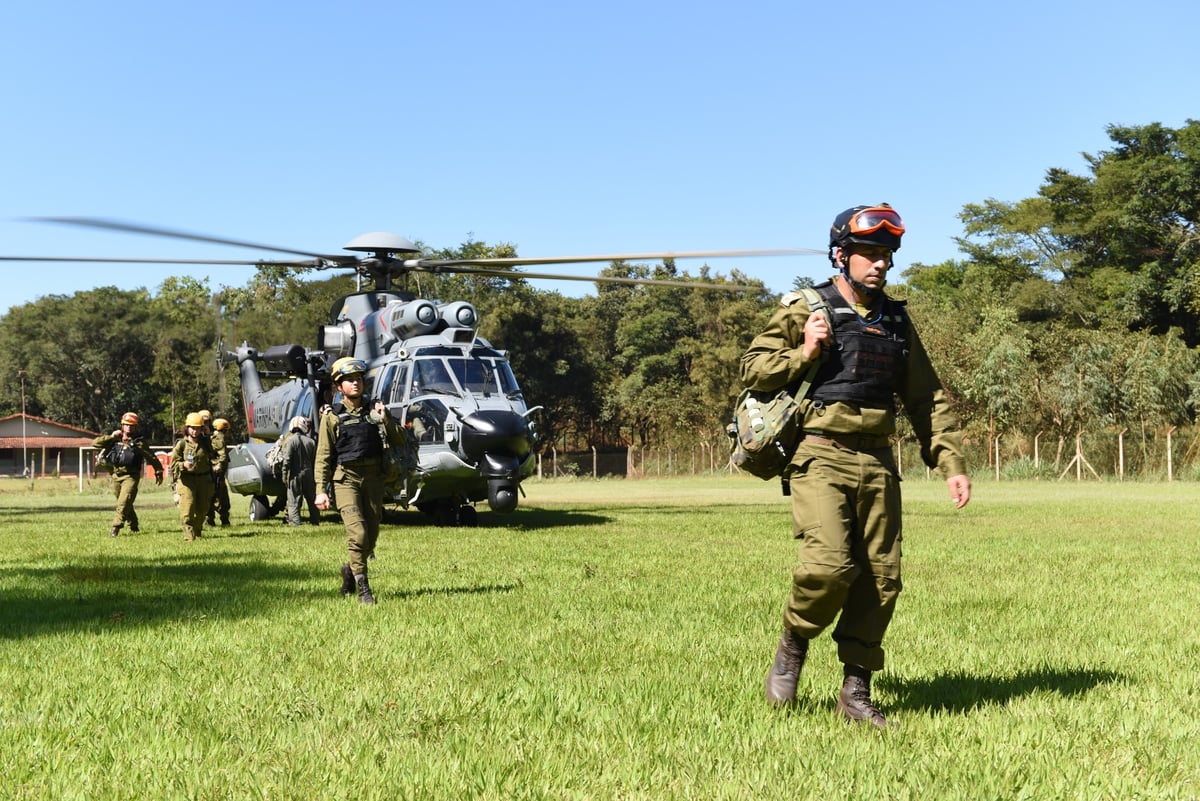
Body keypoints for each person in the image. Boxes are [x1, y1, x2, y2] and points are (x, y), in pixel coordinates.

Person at [741, 203, 971, 728]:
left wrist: (950, 461)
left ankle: (855, 691)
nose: (881, 265)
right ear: (842, 256)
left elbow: (926, 397)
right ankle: (794, 643)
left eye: (887, 255)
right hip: (820, 452)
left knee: (882, 579)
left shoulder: (895, 319)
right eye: (870, 254)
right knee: (829, 567)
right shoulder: (806, 306)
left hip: (879, 461)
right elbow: (754, 369)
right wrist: (805, 351)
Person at [315, 357, 405, 604]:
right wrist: (320, 490)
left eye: (359, 379)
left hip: (374, 478)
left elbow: (400, 439)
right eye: (349, 380)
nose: (356, 384)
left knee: (371, 536)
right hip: (346, 479)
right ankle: (364, 588)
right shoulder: (332, 416)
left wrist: (385, 418)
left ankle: (350, 571)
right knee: (359, 534)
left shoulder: (374, 410)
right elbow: (323, 455)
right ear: (338, 386)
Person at [93, 411, 164, 536]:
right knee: (125, 502)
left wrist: (158, 471)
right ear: (122, 425)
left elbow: (151, 457)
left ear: (136, 427)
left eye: (131, 425)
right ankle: (134, 523)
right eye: (126, 425)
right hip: (116, 475)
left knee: (123, 502)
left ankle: (116, 527)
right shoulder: (115, 440)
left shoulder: (139, 442)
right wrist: (112, 436)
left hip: (131, 476)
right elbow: (95, 443)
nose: (128, 427)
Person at [170, 412, 220, 542]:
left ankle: (197, 530)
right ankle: (189, 537)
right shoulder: (181, 444)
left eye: (198, 428)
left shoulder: (206, 442)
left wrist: (209, 434)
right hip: (187, 480)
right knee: (188, 509)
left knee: (203, 509)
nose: (195, 431)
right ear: (187, 428)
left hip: (204, 479)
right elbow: (174, 465)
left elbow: (217, 449)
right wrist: (183, 465)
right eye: (192, 428)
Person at [282, 416, 319, 527]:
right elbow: (314, 460)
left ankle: (296, 523)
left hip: (294, 474)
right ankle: (315, 521)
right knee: (312, 499)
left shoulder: (290, 441)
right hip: (309, 473)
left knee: (293, 500)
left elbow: (287, 460)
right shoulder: (311, 442)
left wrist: (284, 475)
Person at [208, 415, 232, 527]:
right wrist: (220, 464)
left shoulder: (214, 437)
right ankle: (223, 520)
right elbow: (222, 455)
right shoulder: (219, 438)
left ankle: (211, 520)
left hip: (215, 472)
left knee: (213, 495)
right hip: (218, 473)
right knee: (221, 497)